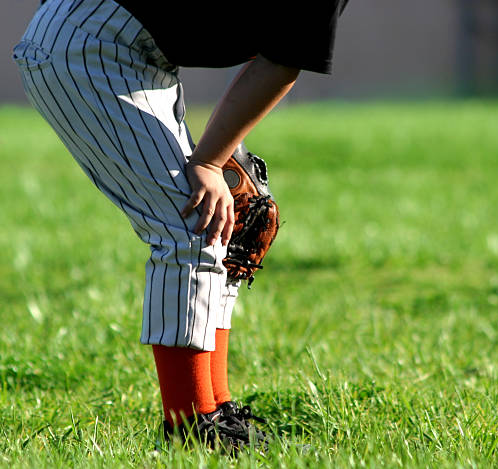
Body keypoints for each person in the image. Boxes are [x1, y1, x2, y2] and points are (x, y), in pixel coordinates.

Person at [13, 0, 348, 450]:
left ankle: (218, 408)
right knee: (192, 223)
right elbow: (281, 60)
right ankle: (190, 425)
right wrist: (208, 161)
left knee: (235, 216)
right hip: (90, 45)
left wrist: (223, 153)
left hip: (130, 50)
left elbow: (268, 37)